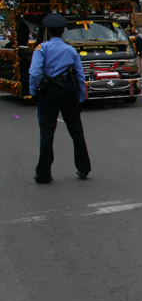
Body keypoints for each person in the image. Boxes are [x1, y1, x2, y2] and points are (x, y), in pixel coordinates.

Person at [29, 13, 91, 183]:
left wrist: (33, 92)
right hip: (69, 90)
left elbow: (34, 73)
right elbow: (80, 75)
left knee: (47, 132)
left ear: (47, 31)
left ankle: (44, 173)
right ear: (64, 30)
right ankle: (84, 168)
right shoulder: (71, 49)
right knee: (76, 130)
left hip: (49, 91)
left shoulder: (42, 48)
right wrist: (79, 97)